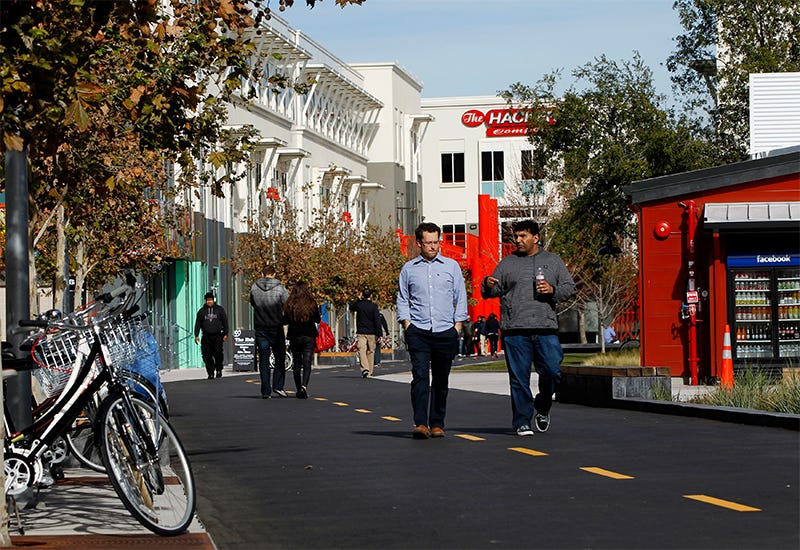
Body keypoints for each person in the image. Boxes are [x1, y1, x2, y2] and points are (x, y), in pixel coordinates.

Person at [481, 220, 575, 436]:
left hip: (545, 328)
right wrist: (487, 284)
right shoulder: (507, 263)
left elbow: (569, 288)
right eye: (516, 236)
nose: (518, 240)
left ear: (536, 238)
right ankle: (522, 421)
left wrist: (552, 290)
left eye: (523, 236)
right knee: (519, 378)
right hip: (515, 330)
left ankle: (542, 406)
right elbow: (493, 289)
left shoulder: (553, 261)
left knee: (552, 372)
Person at [397, 222, 468, 439]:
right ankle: (420, 423)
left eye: (436, 242)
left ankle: (437, 423)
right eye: (428, 243)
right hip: (418, 330)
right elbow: (403, 298)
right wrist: (407, 324)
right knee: (420, 377)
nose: (433, 246)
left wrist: (457, 327)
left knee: (440, 379)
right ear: (419, 243)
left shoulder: (451, 266)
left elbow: (460, 295)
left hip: (445, 330)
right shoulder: (409, 269)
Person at [250, 266, 290, 398]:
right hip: (276, 326)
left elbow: (253, 303)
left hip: (260, 326)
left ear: (262, 273)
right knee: (279, 357)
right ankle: (278, 386)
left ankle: (265, 390)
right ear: (274, 273)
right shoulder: (280, 287)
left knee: (263, 360)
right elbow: (287, 304)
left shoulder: (254, 287)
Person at [282, 281, 320, 399]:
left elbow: (285, 321)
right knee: (307, 362)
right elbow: (317, 319)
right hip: (308, 335)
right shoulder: (311, 303)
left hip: (295, 335)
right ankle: (304, 386)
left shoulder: (290, 303)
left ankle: (298, 388)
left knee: (297, 362)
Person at [194, 292, 229, 380]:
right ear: (206, 301)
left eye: (211, 300)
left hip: (217, 336)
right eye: (208, 300)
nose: (209, 302)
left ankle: (218, 369)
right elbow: (198, 323)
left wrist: (225, 333)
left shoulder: (219, 310)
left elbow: (225, 321)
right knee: (206, 355)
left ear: (213, 300)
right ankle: (210, 372)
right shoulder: (201, 311)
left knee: (218, 353)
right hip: (206, 336)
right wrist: (196, 335)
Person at [349, 289, 383, 378]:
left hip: (361, 332)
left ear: (363, 295)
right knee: (371, 351)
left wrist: (358, 300)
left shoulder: (359, 305)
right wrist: (379, 334)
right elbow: (377, 320)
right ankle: (369, 371)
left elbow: (351, 307)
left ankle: (365, 369)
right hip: (372, 332)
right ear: (370, 296)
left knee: (362, 350)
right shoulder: (374, 306)